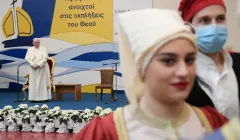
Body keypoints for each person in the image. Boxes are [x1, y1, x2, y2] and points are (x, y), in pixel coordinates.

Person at [76, 9, 228, 140]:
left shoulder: (213, 123)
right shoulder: (104, 133)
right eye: (168, 61)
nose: (184, 72)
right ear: (142, 68)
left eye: (189, 60)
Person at [178, 0, 240, 119]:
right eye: (205, 20)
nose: (215, 26)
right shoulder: (180, 73)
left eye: (220, 18)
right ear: (189, 28)